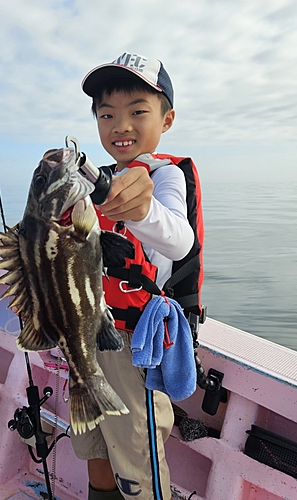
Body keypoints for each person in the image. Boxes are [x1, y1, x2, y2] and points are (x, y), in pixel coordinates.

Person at [70, 52, 195, 500]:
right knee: (94, 445)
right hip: (85, 332)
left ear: (167, 119)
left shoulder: (165, 178)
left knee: (136, 460)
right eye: (107, 115)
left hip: (131, 345)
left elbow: (180, 241)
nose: (120, 125)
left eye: (137, 112)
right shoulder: (94, 180)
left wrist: (142, 211)